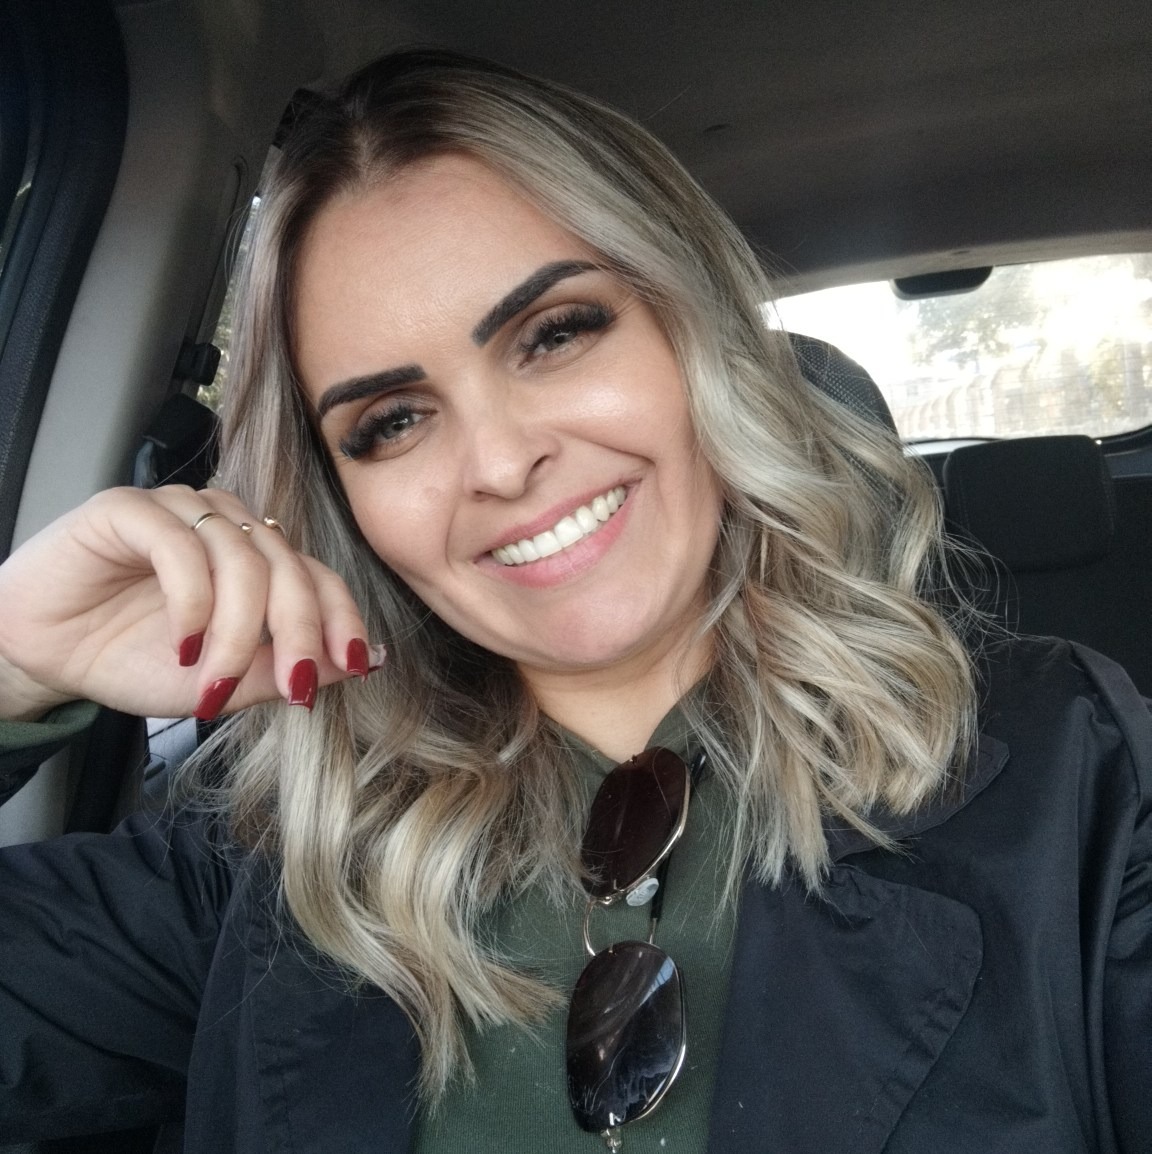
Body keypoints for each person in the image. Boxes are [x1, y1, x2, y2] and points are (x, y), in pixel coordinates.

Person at [0, 49, 1148, 1154]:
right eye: (392, 421)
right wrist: (11, 662)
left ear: (697, 332)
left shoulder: (1074, 772)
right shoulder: (275, 861)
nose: (500, 462)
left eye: (555, 334)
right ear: (344, 503)